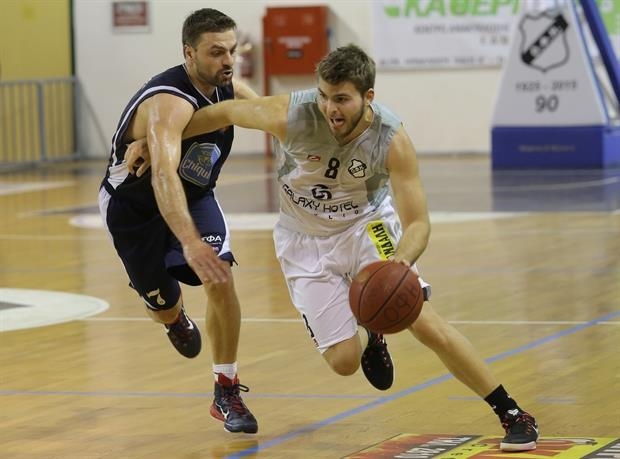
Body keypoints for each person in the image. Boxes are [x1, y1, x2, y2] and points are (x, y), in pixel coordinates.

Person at [127, 44, 539, 452]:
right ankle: (372, 333)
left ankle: (511, 412)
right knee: (343, 362)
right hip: (303, 240)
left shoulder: (391, 138)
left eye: (341, 99)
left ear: (367, 97)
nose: (330, 108)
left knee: (424, 321)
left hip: (367, 226)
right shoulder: (291, 114)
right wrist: (155, 137)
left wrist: (399, 263)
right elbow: (224, 112)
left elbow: (418, 223)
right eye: (324, 96)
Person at [98, 8, 259, 434]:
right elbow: (163, 177)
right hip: (134, 209)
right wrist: (189, 241)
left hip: (195, 196)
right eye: (216, 52)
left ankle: (226, 388)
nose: (227, 61)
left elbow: (266, 112)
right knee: (163, 306)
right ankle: (173, 318)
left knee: (219, 276)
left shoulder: (227, 87)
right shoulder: (166, 101)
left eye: (232, 50)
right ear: (189, 53)